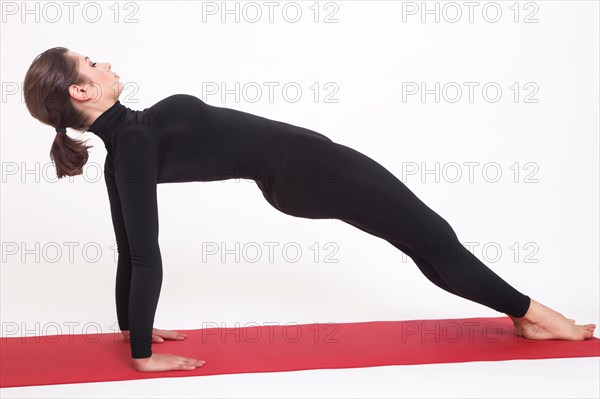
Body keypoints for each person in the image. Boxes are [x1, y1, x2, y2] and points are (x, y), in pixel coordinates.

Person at [23, 47, 596, 372]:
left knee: (421, 241)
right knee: (433, 238)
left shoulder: (125, 148)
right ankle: (539, 317)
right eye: (93, 65)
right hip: (313, 171)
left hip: (300, 177)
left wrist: (130, 331)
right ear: (81, 92)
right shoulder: (135, 146)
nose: (106, 65)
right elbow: (143, 256)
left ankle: (524, 316)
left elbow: (129, 251)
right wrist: (144, 356)